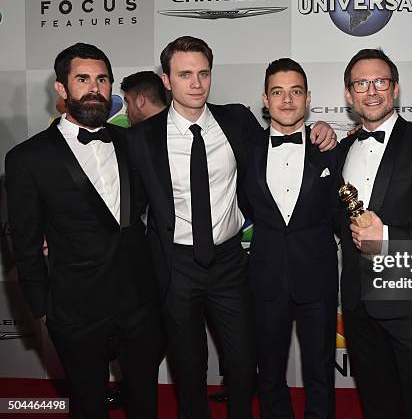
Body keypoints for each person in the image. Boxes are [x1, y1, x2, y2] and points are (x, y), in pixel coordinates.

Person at [127, 36, 336, 419]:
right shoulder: (141, 139)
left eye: (203, 73)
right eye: (185, 74)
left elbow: (285, 144)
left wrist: (320, 127)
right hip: (175, 265)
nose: (196, 83)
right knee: (188, 368)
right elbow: (125, 207)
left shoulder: (236, 120)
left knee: (243, 364)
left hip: (229, 263)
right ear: (167, 80)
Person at [4, 43, 163, 418]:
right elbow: (24, 240)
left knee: (146, 403)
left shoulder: (133, 143)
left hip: (139, 302)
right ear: (61, 89)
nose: (94, 87)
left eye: (102, 79)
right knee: (88, 406)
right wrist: (41, 307)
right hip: (75, 309)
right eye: (83, 79)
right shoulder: (28, 158)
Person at [337, 48, 412, 419]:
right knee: (377, 404)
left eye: (380, 82)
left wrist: (386, 235)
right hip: (357, 302)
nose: (371, 91)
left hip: (409, 301)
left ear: (396, 89)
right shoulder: (339, 150)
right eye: (361, 83)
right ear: (348, 94)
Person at [242, 58, 340, 418]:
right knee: (268, 373)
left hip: (317, 276)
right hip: (266, 277)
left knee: (320, 371)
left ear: (308, 98)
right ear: (265, 100)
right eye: (277, 92)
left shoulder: (330, 148)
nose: (286, 100)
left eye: (295, 91)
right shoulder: (246, 151)